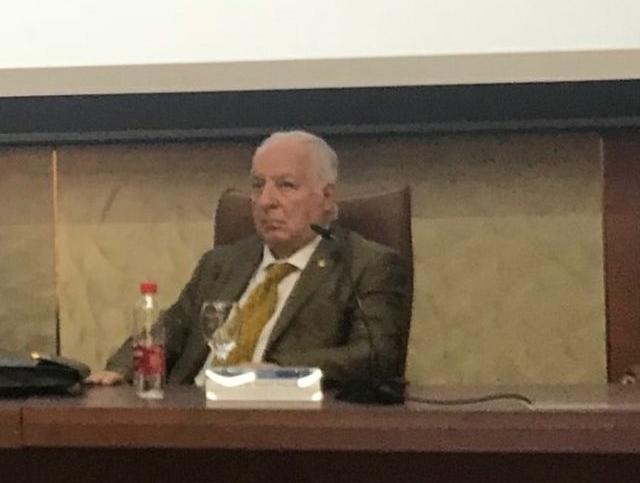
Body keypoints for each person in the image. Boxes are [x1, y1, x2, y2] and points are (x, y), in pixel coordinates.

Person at [91, 130, 410, 391]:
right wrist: (119, 369)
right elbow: (167, 331)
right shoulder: (221, 263)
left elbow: (376, 355)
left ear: (326, 197)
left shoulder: (365, 264)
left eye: (286, 186)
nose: (265, 201)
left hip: (282, 427)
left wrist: (281, 372)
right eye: (258, 186)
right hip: (192, 412)